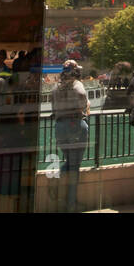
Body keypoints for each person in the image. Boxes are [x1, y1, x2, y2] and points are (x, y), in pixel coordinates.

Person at [51, 60, 89, 211]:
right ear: (75, 71)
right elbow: (81, 95)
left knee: (69, 161)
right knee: (74, 166)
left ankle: (59, 185)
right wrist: (84, 106)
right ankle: (71, 204)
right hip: (75, 125)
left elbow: (54, 108)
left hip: (60, 126)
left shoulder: (55, 87)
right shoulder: (77, 84)